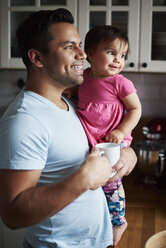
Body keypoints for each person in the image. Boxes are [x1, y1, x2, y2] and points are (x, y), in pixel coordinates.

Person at [0, 9, 137, 248]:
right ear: (37, 58)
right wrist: (83, 179)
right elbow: (13, 214)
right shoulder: (24, 121)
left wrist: (127, 153)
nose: (83, 55)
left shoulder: (71, 103)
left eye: (80, 46)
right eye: (69, 47)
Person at [75, 25, 142, 246]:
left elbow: (135, 109)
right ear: (90, 54)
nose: (118, 60)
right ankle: (100, 219)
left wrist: (121, 132)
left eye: (122, 55)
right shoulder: (83, 78)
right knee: (95, 180)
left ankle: (118, 221)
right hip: (94, 138)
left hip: (114, 138)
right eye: (111, 52)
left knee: (111, 180)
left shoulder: (120, 82)